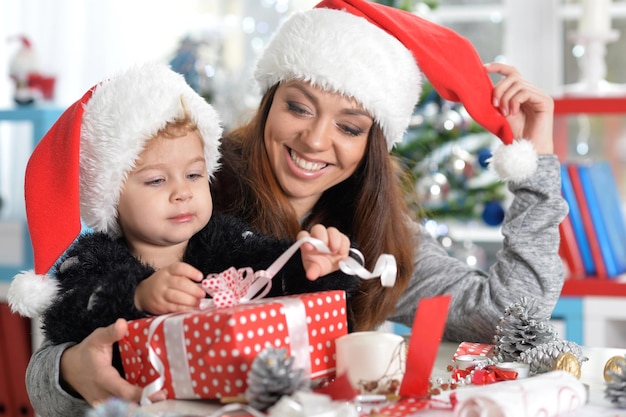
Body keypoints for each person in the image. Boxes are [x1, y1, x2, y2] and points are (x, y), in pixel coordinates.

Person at [20, 0, 568, 415]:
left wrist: (536, 166)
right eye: (299, 107)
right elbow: (58, 353)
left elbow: (511, 314)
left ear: (372, 144)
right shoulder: (186, 193)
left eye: (350, 126)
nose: (314, 141)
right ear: (269, 102)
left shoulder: (375, 241)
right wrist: (69, 371)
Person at [10, 63, 367, 414]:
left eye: (194, 174)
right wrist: (136, 294)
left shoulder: (226, 242)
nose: (182, 192)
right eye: (156, 181)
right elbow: (69, 315)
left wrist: (313, 266)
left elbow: (273, 269)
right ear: (110, 195)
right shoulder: (93, 261)